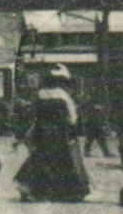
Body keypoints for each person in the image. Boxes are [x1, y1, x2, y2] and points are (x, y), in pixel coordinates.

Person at [13, 65, 91, 203]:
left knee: (39, 159)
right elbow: (72, 117)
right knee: (63, 161)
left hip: (41, 132)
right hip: (58, 132)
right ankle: (65, 192)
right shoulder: (63, 95)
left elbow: (32, 114)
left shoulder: (39, 94)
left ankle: (33, 190)